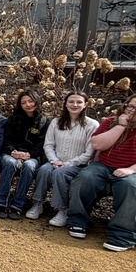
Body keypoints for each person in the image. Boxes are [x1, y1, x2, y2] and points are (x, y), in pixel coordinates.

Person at [66, 92, 136, 252]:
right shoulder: (112, 122)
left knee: (131, 185)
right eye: (129, 106)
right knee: (86, 176)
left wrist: (132, 170)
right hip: (107, 168)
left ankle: (123, 235)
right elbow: (97, 144)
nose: (132, 110)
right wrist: (121, 125)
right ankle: (78, 221)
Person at [27, 91, 98, 226]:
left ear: (85, 105)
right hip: (56, 161)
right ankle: (37, 203)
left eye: (79, 102)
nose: (74, 105)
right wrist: (54, 161)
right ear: (65, 104)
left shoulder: (92, 125)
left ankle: (62, 210)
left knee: (60, 173)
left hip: (79, 165)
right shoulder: (56, 122)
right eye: (71, 102)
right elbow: (48, 145)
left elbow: (89, 153)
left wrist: (68, 164)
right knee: (44, 170)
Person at [0, 89, 49, 220]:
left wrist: (30, 154)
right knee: (10, 163)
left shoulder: (45, 121)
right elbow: (6, 139)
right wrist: (12, 151)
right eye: (24, 102)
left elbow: (42, 143)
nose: (28, 105)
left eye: (30, 101)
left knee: (29, 167)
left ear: (37, 101)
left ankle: (17, 204)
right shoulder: (13, 119)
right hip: (11, 153)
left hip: (31, 156)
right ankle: (1, 202)